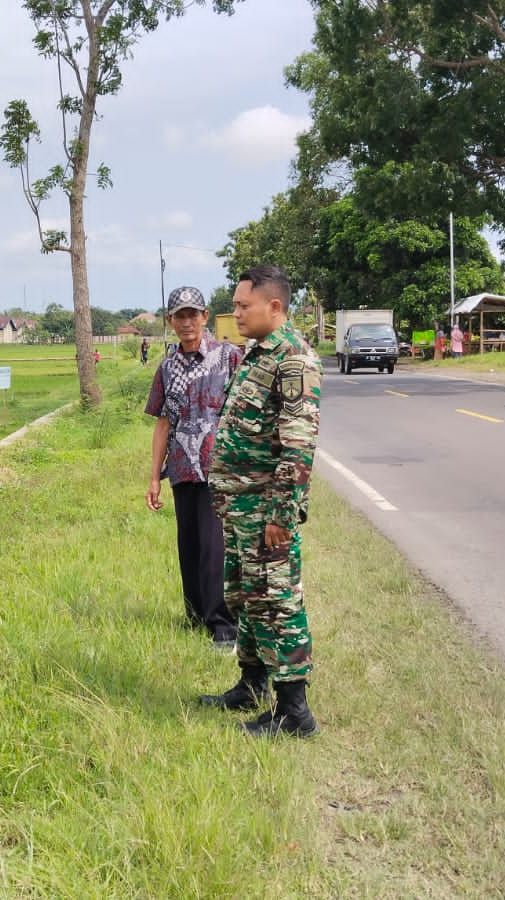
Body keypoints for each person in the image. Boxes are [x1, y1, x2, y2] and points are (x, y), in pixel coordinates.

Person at [199, 265, 322, 738]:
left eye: (243, 306)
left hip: (265, 511)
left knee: (277, 602)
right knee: (248, 598)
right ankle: (252, 686)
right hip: (240, 508)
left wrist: (280, 515)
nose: (236, 313)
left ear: (274, 306)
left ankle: (295, 714)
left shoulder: (293, 360)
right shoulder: (258, 354)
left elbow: (298, 444)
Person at [145, 286, 244, 651]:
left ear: (205, 317)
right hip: (182, 469)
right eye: (179, 316)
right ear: (170, 322)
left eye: (193, 315)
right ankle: (195, 615)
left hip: (219, 468)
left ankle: (223, 625)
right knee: (187, 544)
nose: (187, 322)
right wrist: (154, 477)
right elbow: (161, 424)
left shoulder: (228, 357)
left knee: (213, 545)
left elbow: (245, 412)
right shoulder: (167, 367)